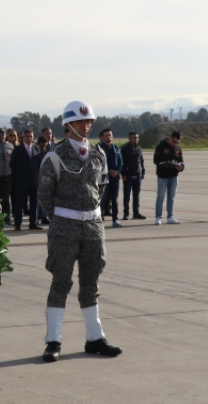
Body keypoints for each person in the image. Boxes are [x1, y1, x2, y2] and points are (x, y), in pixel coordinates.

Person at [36, 100, 122, 363]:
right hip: (64, 229)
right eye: (81, 122)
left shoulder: (99, 155)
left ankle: (95, 337)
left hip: (94, 228)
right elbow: (44, 195)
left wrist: (88, 215)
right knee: (60, 282)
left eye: (89, 122)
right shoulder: (54, 156)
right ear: (67, 126)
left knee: (91, 283)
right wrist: (62, 219)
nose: (87, 126)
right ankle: (54, 340)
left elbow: (102, 187)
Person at [9, 128, 42, 231]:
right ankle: (17, 224)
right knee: (19, 204)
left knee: (33, 204)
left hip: (33, 181)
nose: (29, 138)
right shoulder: (18, 149)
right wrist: (18, 175)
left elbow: (39, 163)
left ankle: (33, 223)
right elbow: (12, 164)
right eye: (27, 136)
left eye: (31, 137)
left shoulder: (36, 148)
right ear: (23, 138)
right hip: (22, 181)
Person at [154, 130, 184, 225]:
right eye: (174, 141)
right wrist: (173, 165)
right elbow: (158, 161)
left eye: (177, 142)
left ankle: (170, 216)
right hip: (163, 176)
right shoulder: (161, 147)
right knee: (161, 197)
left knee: (171, 197)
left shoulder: (177, 149)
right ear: (170, 137)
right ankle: (158, 217)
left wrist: (181, 167)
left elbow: (181, 161)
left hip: (174, 176)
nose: (175, 144)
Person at [96, 128, 123, 229]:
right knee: (103, 199)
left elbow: (121, 161)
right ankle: (101, 219)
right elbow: (99, 162)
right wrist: (110, 171)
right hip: (104, 178)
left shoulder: (116, 147)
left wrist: (118, 171)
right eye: (106, 135)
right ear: (102, 137)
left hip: (115, 178)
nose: (109, 137)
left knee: (115, 199)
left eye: (110, 135)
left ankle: (115, 219)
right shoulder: (99, 148)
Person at [121, 131, 147, 220]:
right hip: (128, 176)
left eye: (137, 138)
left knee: (136, 196)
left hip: (138, 175)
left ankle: (136, 213)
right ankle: (126, 213)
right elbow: (122, 163)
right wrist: (123, 174)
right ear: (129, 138)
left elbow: (141, 161)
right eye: (134, 137)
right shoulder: (125, 149)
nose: (136, 139)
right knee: (127, 196)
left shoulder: (139, 149)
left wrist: (143, 172)